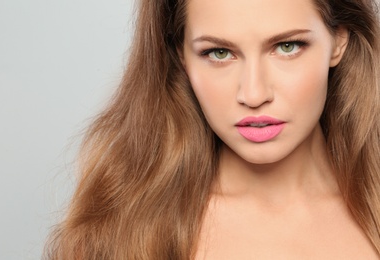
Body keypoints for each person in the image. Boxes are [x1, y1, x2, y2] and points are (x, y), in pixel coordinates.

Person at [44, 0, 380, 259]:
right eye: (219, 53)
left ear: (338, 40)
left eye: (286, 46)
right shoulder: (120, 235)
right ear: (182, 57)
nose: (253, 94)